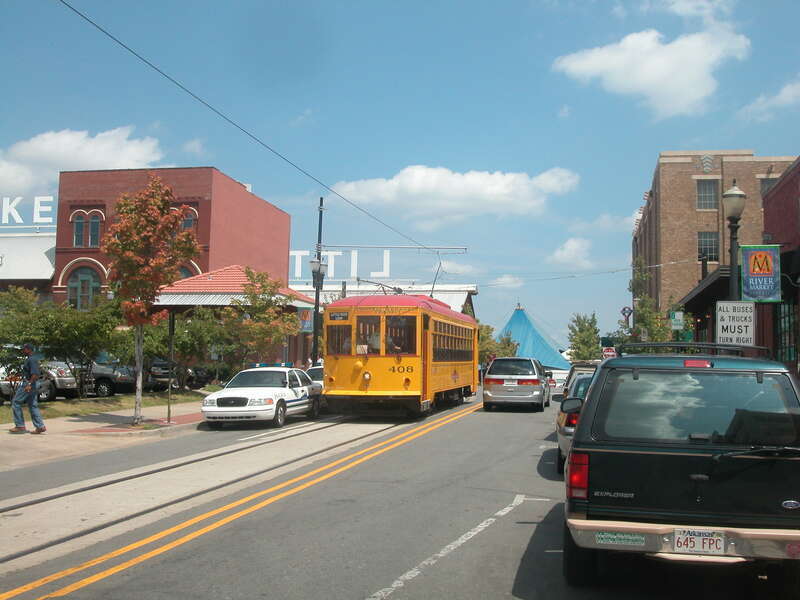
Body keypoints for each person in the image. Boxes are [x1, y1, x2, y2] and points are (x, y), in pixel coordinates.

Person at [9, 343, 46, 434]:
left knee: (16, 402)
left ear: (28, 349)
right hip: (32, 383)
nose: (23, 351)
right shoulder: (31, 359)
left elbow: (35, 374)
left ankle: (20, 426)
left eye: (24, 349)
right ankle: (40, 426)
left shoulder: (32, 360)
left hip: (29, 384)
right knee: (32, 405)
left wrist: (29, 384)